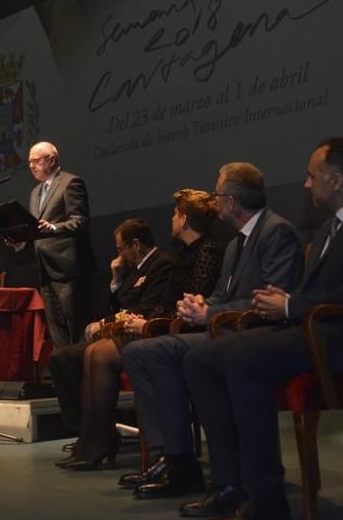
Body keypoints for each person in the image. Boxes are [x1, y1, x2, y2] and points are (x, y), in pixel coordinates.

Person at [183, 138, 343, 520]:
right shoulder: (327, 230)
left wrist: (291, 305)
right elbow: (316, 292)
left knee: (241, 356)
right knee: (200, 357)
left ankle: (266, 500)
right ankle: (229, 485)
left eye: (311, 176)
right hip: (320, 332)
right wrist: (285, 299)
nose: (306, 185)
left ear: (336, 180)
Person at [122, 163, 303, 499]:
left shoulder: (276, 232)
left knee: (173, 353)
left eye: (219, 195)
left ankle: (207, 472)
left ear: (232, 201)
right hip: (227, 328)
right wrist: (198, 306)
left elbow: (271, 299)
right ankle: (174, 456)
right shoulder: (236, 243)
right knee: (139, 352)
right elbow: (224, 296)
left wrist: (211, 313)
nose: (215, 202)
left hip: (255, 333)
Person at [50, 217, 175, 470]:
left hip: (140, 333)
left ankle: (100, 440)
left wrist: (104, 324)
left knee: (93, 354)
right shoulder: (134, 269)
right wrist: (116, 279)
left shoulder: (160, 264)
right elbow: (120, 304)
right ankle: (87, 433)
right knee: (61, 358)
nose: (120, 254)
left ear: (136, 244)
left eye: (121, 248)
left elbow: (144, 310)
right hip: (122, 331)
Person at [22, 141, 97, 348]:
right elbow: (36, 230)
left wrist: (54, 228)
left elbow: (80, 221)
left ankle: (84, 377)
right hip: (45, 269)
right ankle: (65, 378)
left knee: (76, 329)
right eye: (29, 163)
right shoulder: (35, 192)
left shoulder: (71, 183)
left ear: (52, 160)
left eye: (35, 161)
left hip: (69, 270)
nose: (31, 166)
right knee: (57, 334)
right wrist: (19, 240)